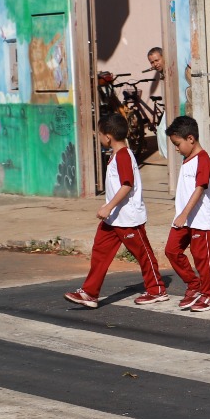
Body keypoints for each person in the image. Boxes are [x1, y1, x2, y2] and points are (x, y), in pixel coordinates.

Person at [64, 113, 169, 308]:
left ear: (108, 136)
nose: (98, 137)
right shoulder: (117, 155)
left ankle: (157, 290)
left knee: (143, 255)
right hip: (114, 219)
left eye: (100, 134)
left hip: (128, 218)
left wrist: (107, 206)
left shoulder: (122, 155)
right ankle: (89, 293)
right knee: (99, 253)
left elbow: (126, 184)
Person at [164, 115, 210, 312]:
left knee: (202, 259)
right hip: (184, 220)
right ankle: (194, 285)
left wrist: (184, 214)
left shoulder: (203, 159)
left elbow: (200, 188)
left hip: (199, 220)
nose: (176, 148)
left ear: (190, 139)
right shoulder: (187, 159)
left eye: (177, 144)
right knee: (171, 250)